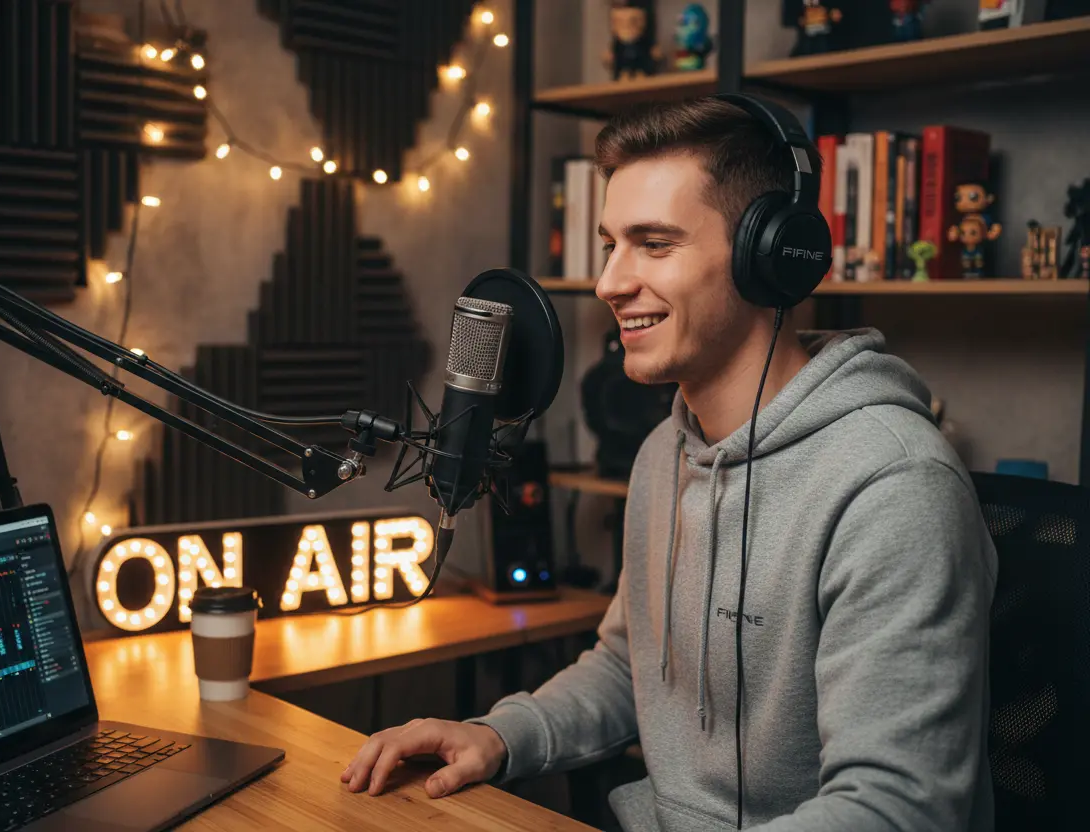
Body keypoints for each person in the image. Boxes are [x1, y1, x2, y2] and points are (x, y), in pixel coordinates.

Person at [341, 95, 998, 831]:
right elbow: (632, 670)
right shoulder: (665, 451)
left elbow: (896, 809)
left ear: (770, 258)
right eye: (609, 245)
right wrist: (500, 735)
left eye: (654, 244)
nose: (610, 283)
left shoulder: (893, 486)